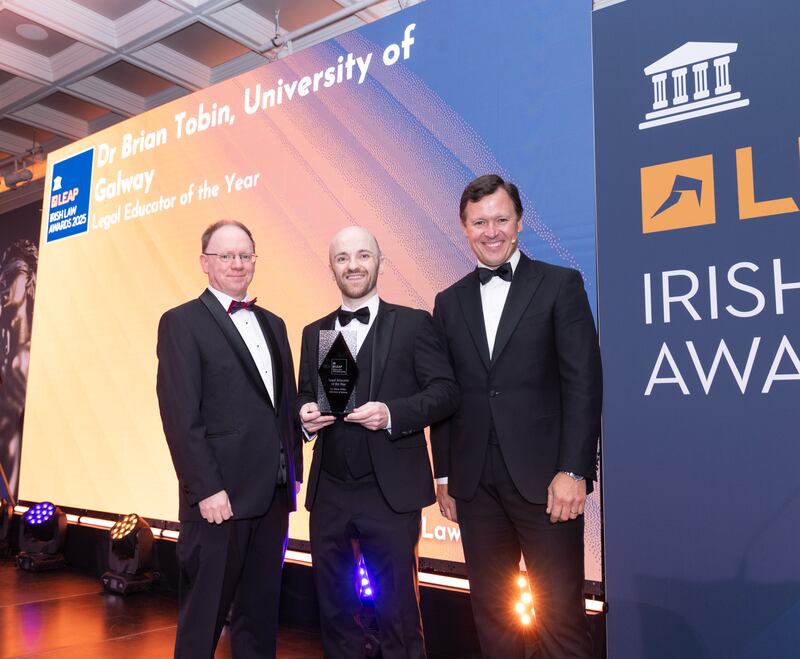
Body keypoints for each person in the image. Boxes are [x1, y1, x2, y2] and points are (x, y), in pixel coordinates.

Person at [431, 175, 602, 658]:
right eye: (479, 221)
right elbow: (444, 395)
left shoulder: (560, 285)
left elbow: (584, 384)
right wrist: (444, 474)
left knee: (561, 620)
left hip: (548, 483)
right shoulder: (448, 302)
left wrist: (574, 470)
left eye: (501, 219)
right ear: (464, 228)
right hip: (474, 487)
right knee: (494, 619)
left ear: (519, 223)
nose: (491, 231)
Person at [297, 226, 459, 659]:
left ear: (380, 263)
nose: (353, 265)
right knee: (334, 611)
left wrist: (392, 414)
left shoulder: (412, 323)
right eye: (343, 257)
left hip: (390, 493)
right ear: (331, 266)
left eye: (363, 256)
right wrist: (304, 417)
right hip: (329, 492)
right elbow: (302, 395)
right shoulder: (314, 332)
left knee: (399, 614)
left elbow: (445, 392)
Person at [156, 219, 301, 658]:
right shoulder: (181, 322)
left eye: (245, 255)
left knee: (259, 620)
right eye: (227, 256)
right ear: (205, 263)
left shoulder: (274, 324)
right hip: (218, 501)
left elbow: (281, 405)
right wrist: (207, 489)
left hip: (273, 497)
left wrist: (293, 465)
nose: (237, 264)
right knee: (204, 622)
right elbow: (181, 416)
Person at [0, 239, 38, 500]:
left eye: (13, 273)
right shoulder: (8, 355)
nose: (3, 283)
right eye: (3, 275)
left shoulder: (30, 356)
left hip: (13, 498)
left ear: (28, 280)